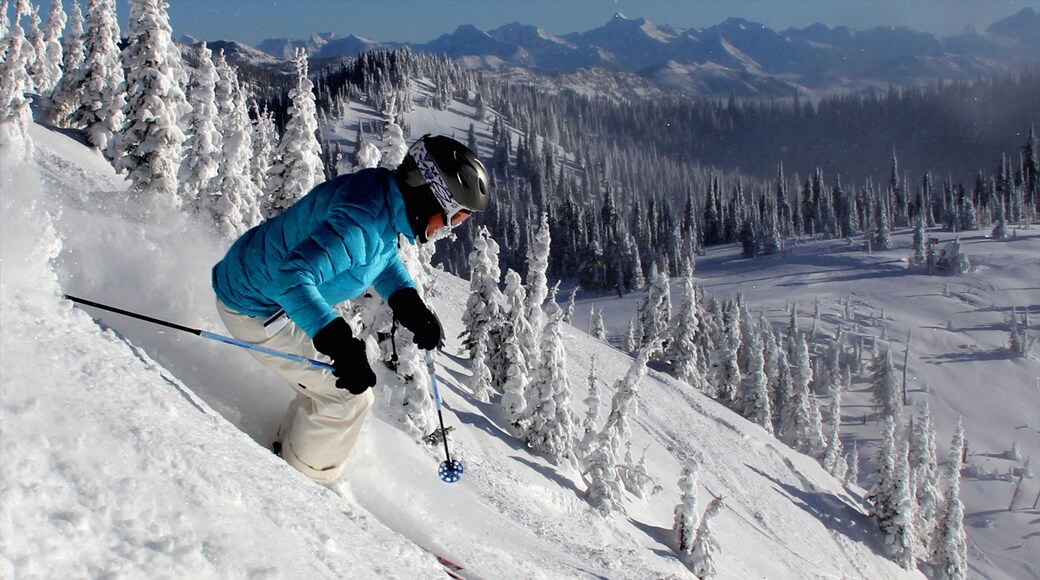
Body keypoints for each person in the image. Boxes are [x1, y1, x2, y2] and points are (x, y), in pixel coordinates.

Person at [211, 134, 489, 484]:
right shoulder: (362, 222)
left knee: (333, 386)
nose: (447, 231)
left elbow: (380, 255)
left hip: (260, 289)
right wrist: (339, 342)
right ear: (429, 195)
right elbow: (291, 278)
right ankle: (298, 485)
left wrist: (408, 301)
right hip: (257, 309)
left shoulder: (380, 198)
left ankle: (289, 450)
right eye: (453, 219)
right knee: (348, 398)